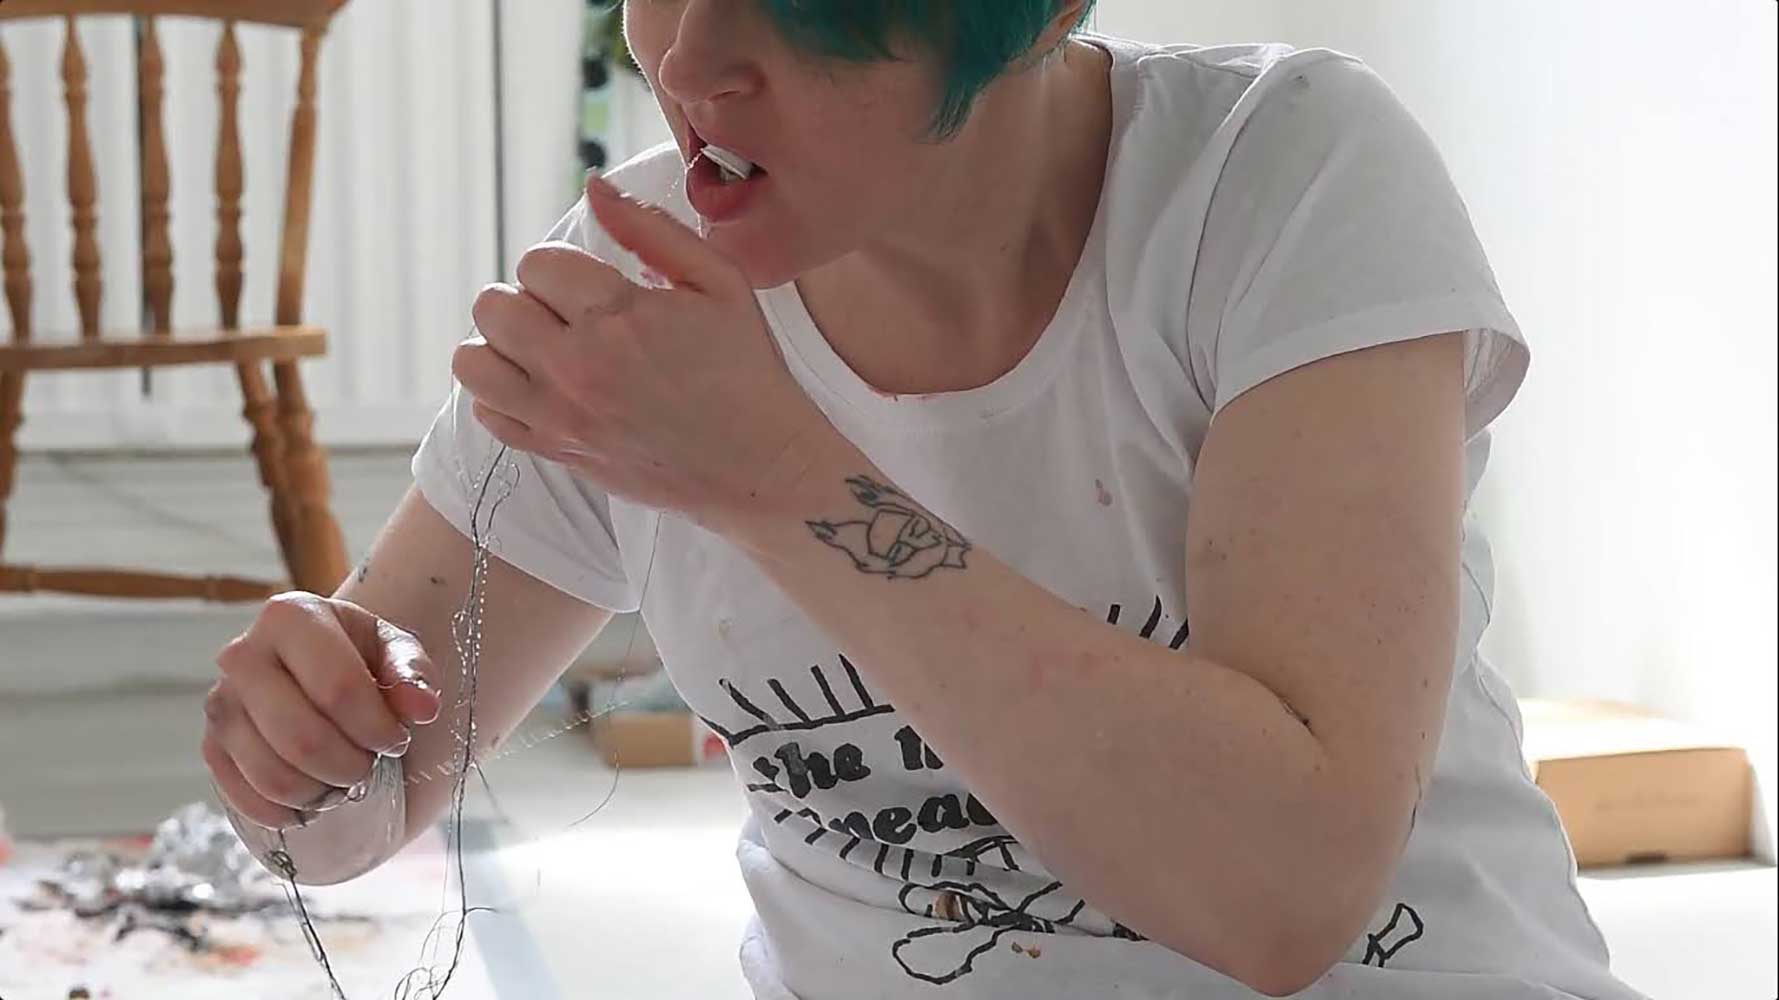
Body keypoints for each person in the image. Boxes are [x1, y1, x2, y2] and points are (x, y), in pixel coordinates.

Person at [200, 2, 1648, 997]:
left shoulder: (1282, 176)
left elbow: (1282, 894)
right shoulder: (630, 282)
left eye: (799, 8)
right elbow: (350, 808)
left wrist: (774, 476)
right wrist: (294, 751)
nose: (692, 58)